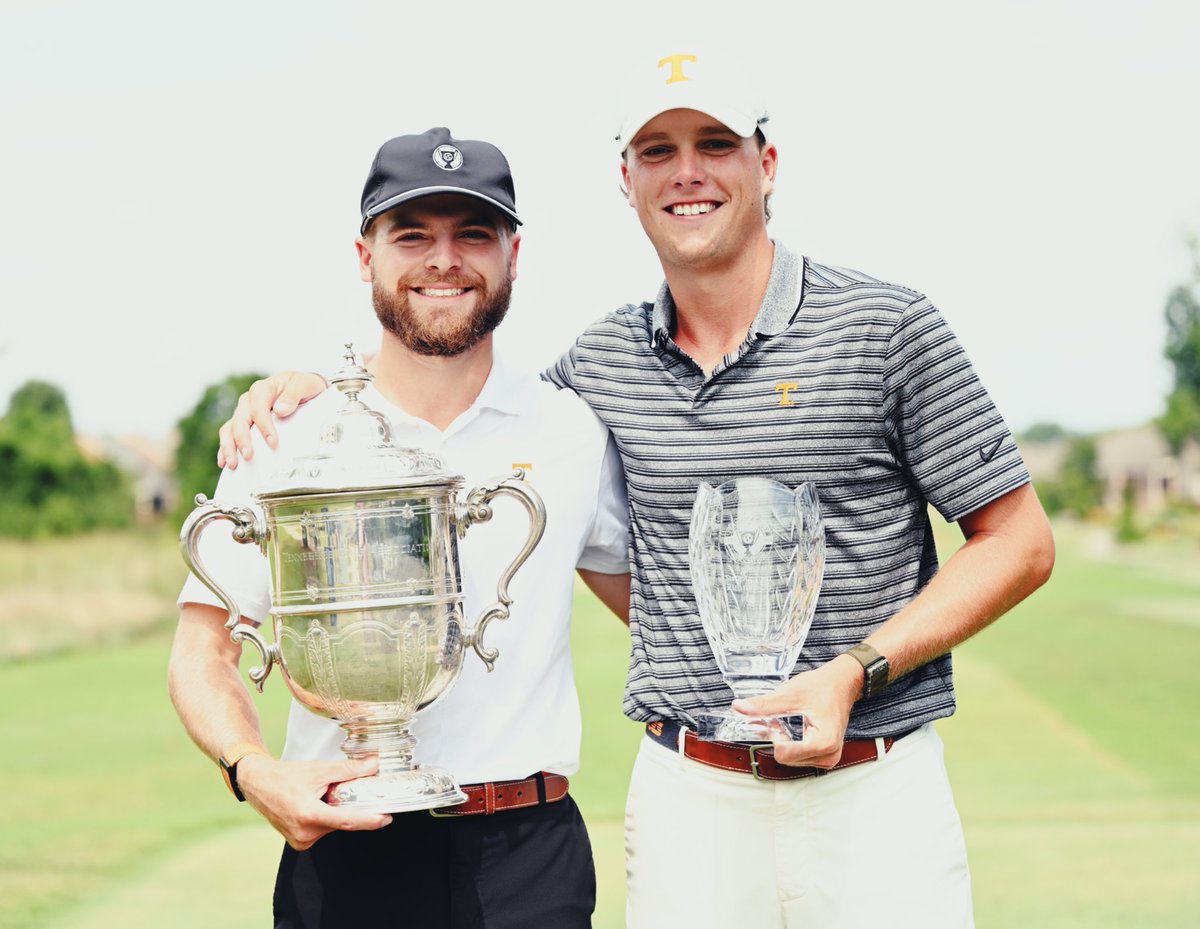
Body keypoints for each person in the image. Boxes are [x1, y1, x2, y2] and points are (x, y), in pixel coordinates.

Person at [217, 52, 1055, 929]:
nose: (687, 172)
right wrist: (319, 395)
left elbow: (1019, 541)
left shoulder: (888, 327)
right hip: (691, 800)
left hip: (875, 791)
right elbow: (454, 386)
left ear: (766, 165)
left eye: (715, 144)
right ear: (626, 179)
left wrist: (854, 671)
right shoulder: (597, 372)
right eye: (658, 151)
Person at [169, 127, 631, 929]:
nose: (443, 259)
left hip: (530, 855)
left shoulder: (572, 430)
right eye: (412, 234)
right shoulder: (284, 433)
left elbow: (654, 611)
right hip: (346, 851)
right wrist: (251, 768)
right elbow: (201, 648)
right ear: (364, 255)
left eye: (473, 233)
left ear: (513, 253)